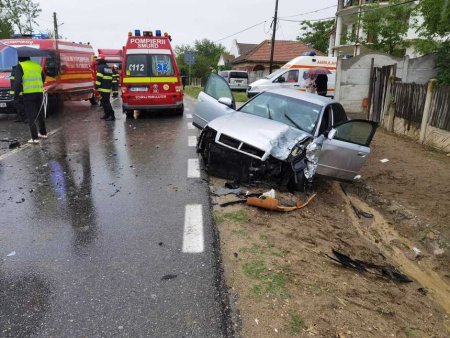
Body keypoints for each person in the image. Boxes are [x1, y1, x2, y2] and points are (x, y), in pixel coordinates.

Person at [14, 56, 47, 144]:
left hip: (28, 94)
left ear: (20, 58)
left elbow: (17, 82)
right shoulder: (37, 65)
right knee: (40, 113)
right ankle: (43, 133)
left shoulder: (20, 66)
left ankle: (34, 138)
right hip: (39, 92)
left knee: (31, 116)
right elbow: (43, 78)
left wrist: (16, 94)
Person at [95, 56, 115, 121]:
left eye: (98, 60)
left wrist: (96, 86)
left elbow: (99, 78)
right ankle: (107, 114)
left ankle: (111, 115)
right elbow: (110, 77)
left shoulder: (100, 67)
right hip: (107, 87)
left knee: (106, 102)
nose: (97, 62)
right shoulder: (108, 67)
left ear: (101, 61)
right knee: (104, 102)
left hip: (103, 87)